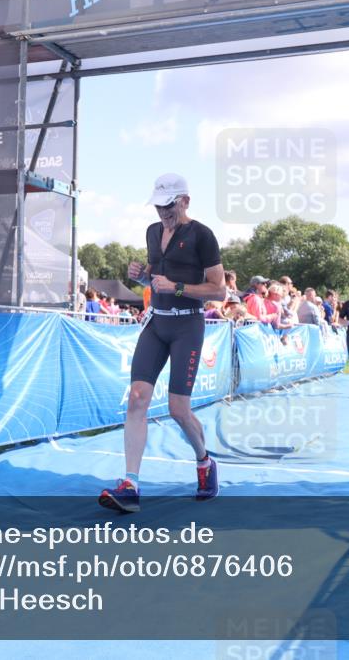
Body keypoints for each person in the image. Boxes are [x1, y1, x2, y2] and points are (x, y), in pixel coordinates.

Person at [99, 173, 225, 514]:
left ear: (185, 201)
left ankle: (204, 463)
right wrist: (141, 275)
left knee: (178, 410)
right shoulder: (153, 232)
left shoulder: (203, 235)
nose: (163, 213)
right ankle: (131, 485)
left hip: (188, 325)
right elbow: (156, 276)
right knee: (138, 398)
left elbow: (220, 291)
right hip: (157, 323)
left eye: (169, 206)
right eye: (158, 206)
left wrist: (177, 288)